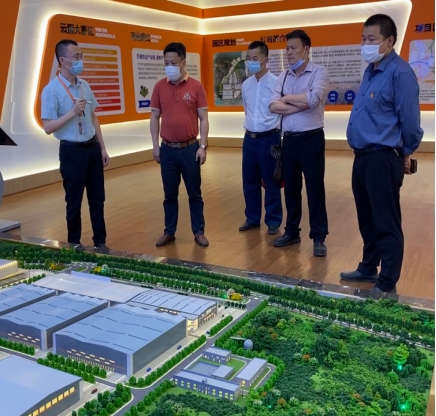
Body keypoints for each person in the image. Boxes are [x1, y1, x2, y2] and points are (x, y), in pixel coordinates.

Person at [340, 14, 423, 294]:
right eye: (363, 38)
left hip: (383, 157)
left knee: (385, 220)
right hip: (362, 157)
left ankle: (387, 281)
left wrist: (407, 151)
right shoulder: (371, 70)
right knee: (367, 218)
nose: (365, 44)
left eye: (371, 39)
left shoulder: (400, 73)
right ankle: (368, 266)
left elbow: (410, 121)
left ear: (389, 41)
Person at [41, 39, 110, 254]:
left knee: (97, 199)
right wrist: (71, 112)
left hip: (92, 149)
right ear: (63, 60)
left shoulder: (84, 85)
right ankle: (74, 245)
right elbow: (48, 127)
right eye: (76, 57)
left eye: (81, 56)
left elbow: (93, 117)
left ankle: (100, 243)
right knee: (74, 201)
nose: (80, 61)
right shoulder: (51, 91)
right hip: (72, 151)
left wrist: (102, 147)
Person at [269, 30, 329, 257]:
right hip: (289, 141)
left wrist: (285, 99)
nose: (289, 52)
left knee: (315, 189)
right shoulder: (283, 76)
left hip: (312, 139)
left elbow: (314, 99)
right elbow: (272, 105)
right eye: (287, 48)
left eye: (293, 48)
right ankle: (292, 232)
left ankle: (319, 237)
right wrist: (299, 103)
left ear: (306, 49)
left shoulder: (319, 72)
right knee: (291, 189)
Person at [150, 42, 209, 248]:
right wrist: (155, 146)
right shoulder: (159, 87)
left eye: (173, 63)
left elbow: (203, 118)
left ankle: (199, 231)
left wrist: (203, 146)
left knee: (194, 193)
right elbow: (154, 117)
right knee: (169, 195)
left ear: (183, 62)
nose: (169, 67)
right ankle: (169, 231)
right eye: (166, 63)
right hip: (167, 149)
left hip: (190, 148)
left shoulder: (196, 87)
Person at [239, 41, 282, 235]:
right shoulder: (246, 84)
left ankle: (273, 220)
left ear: (265, 60)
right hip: (249, 138)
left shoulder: (276, 83)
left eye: (255, 58)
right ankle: (252, 218)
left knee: (271, 181)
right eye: (249, 58)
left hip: (270, 138)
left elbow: (281, 112)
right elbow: (246, 110)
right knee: (249, 180)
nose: (251, 62)